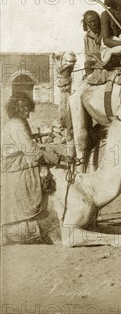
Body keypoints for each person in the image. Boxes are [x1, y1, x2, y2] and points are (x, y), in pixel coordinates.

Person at [1, 93, 72, 244]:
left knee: (50, 154)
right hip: (15, 166)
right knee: (48, 167)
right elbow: (33, 153)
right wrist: (59, 158)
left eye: (27, 106)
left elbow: (29, 145)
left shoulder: (20, 123)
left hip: (20, 158)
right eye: (23, 107)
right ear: (16, 109)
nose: (27, 110)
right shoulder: (16, 126)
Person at [82, 10, 103, 76]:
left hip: (106, 60)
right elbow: (88, 56)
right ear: (86, 23)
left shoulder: (105, 31)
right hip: (96, 62)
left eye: (95, 21)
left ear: (98, 20)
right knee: (87, 64)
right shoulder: (87, 36)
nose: (93, 24)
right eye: (90, 22)